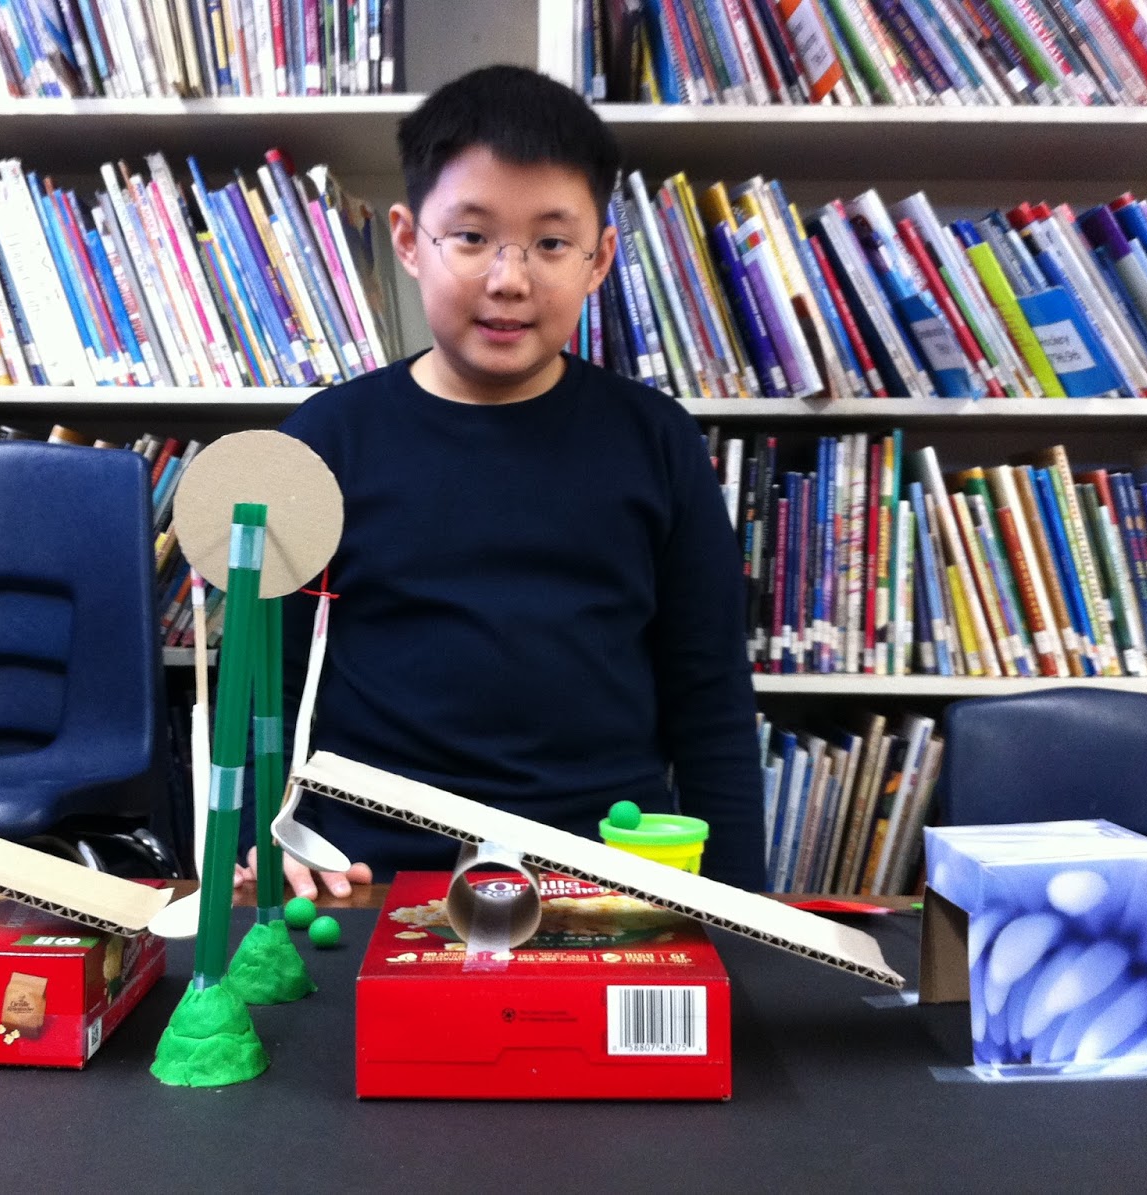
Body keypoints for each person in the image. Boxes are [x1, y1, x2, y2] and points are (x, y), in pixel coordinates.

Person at [234, 64, 765, 900]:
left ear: (600, 258)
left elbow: (711, 701)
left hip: (602, 877)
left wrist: (739, 909)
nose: (509, 279)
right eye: (472, 237)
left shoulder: (656, 440)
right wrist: (259, 845)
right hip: (367, 876)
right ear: (409, 240)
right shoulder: (324, 442)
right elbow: (263, 685)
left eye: (550, 243)